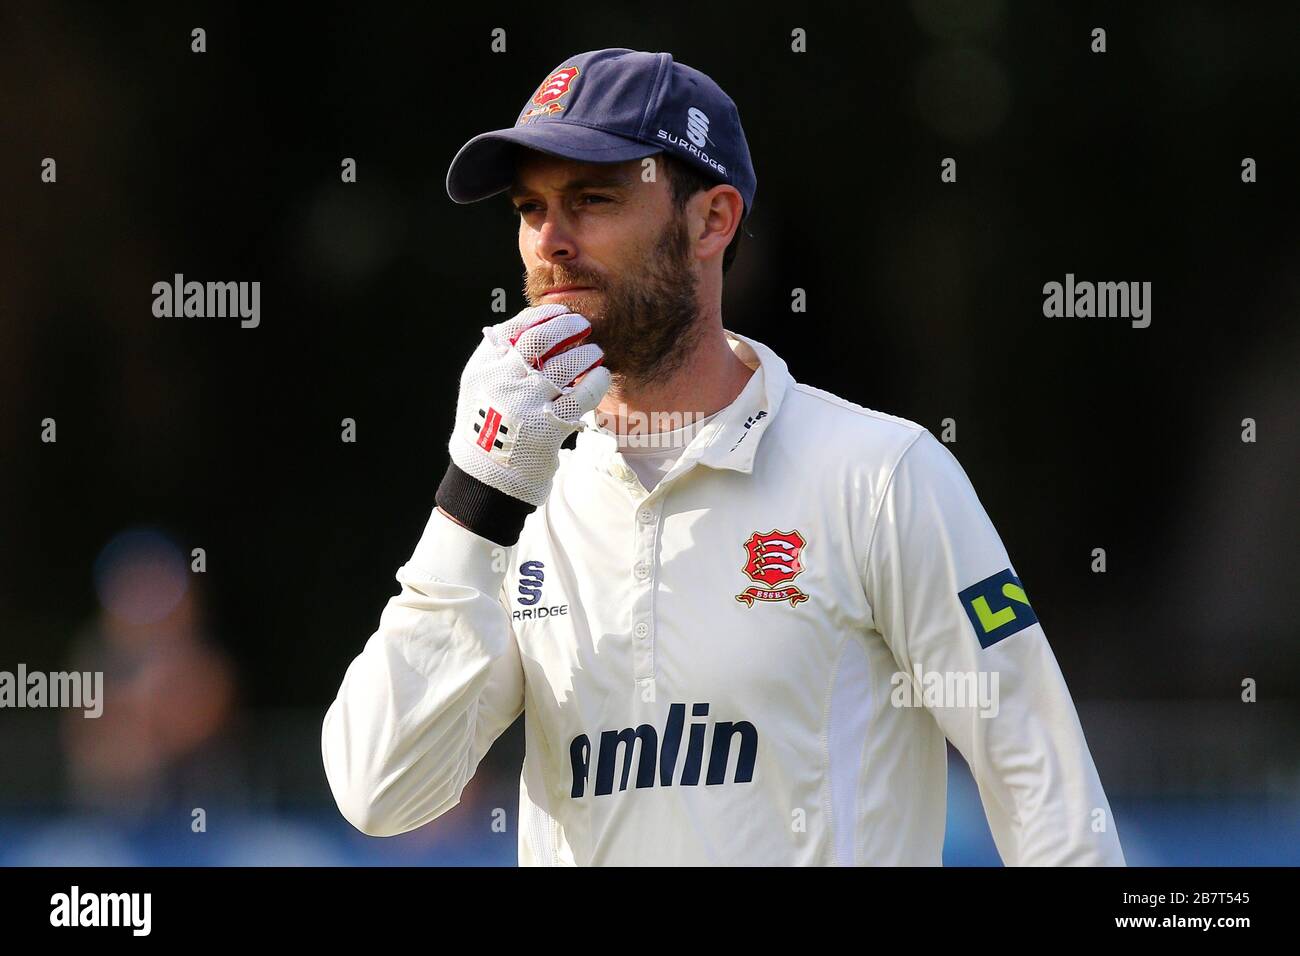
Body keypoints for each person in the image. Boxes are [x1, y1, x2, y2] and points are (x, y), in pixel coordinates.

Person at [321, 48, 1125, 866]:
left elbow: (1048, 794)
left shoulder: (880, 474)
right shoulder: (516, 501)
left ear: (713, 220)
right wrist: (477, 495)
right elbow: (380, 793)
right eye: (531, 208)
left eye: (592, 199)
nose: (551, 243)